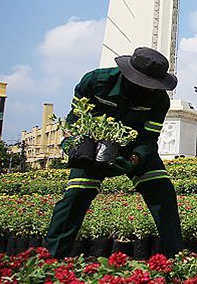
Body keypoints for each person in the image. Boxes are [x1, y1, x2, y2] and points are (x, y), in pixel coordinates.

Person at [43, 47, 184, 259]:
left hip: (134, 148)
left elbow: (148, 138)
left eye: (153, 85)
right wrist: (75, 140)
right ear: (129, 74)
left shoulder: (159, 100)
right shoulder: (95, 81)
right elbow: (75, 117)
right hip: (93, 143)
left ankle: (176, 257)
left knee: (162, 191)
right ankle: (50, 258)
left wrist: (135, 159)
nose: (148, 89)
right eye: (143, 83)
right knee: (77, 194)